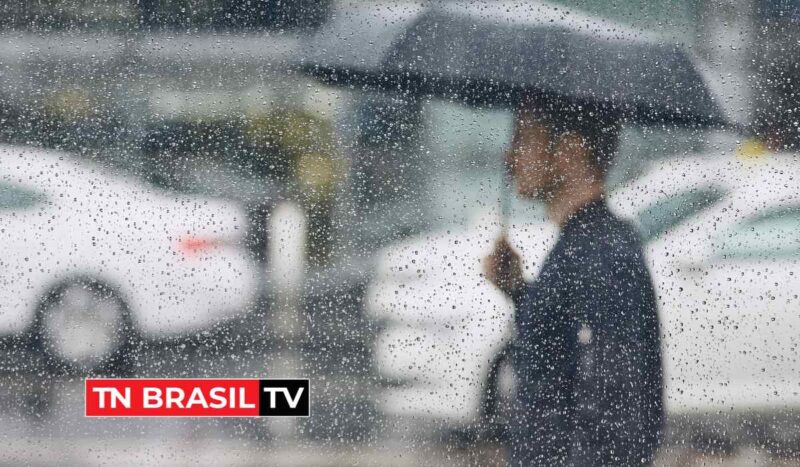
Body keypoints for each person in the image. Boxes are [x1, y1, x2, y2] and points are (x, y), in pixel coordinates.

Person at [484, 97, 664, 466]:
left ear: (569, 151)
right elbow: (561, 355)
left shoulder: (601, 254)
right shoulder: (584, 244)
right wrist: (518, 290)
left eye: (524, 140)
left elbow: (614, 409)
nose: (509, 158)